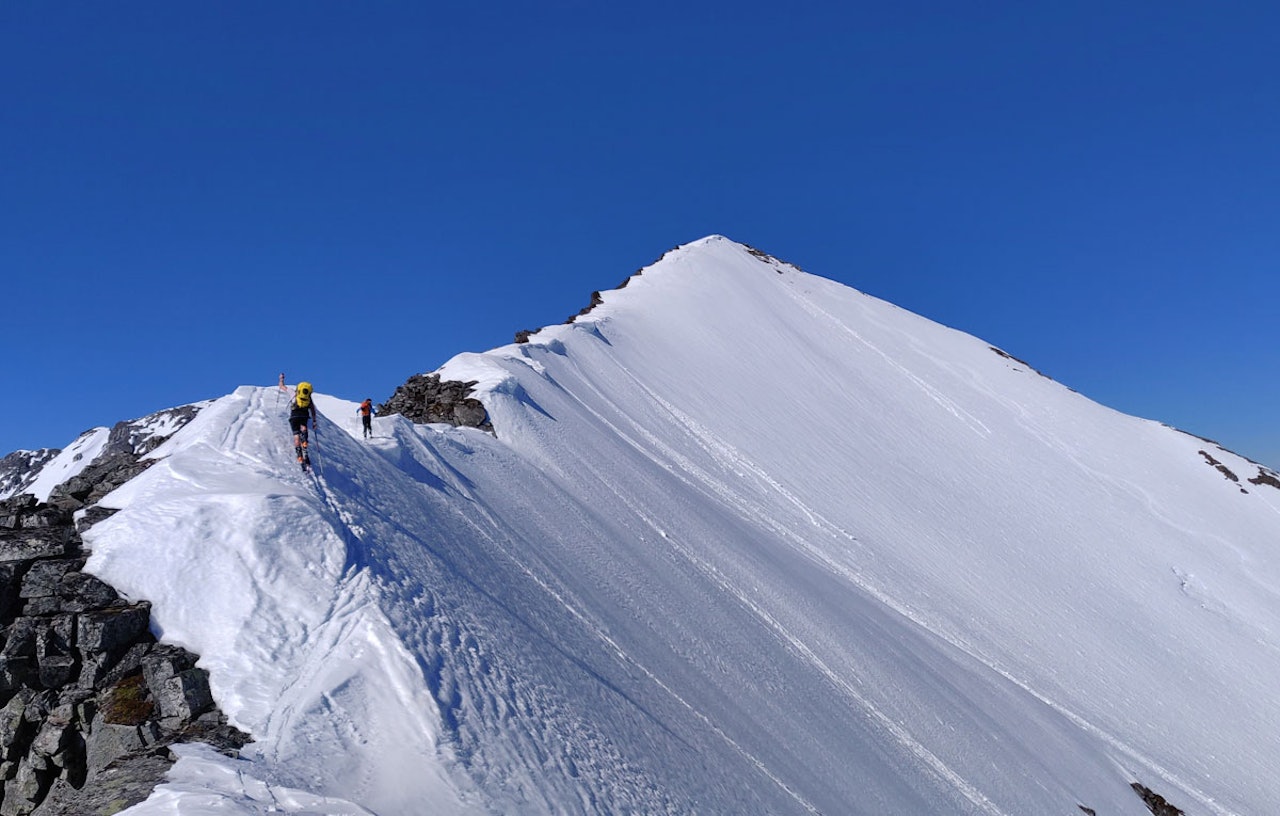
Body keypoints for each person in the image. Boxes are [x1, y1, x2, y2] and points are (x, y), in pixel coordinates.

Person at [290, 382, 318, 470]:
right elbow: (313, 410)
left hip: (294, 417)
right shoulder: (308, 399)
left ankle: (299, 456)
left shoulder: (294, 395)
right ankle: (304, 442)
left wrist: (281, 380)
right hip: (304, 416)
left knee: (296, 436)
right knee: (303, 427)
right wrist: (314, 421)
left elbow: (283, 387)